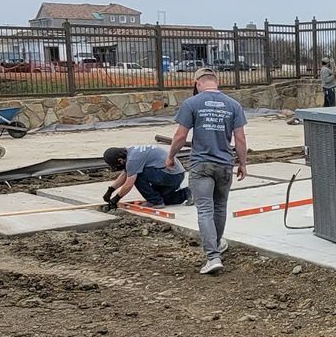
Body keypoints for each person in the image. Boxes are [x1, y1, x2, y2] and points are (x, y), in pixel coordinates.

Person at [167, 68, 248, 275]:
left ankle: (212, 257)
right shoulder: (233, 105)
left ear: (197, 83)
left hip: (201, 165)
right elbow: (240, 138)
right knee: (220, 207)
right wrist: (243, 163)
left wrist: (170, 157)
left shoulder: (191, 104)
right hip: (224, 164)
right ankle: (218, 245)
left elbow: (179, 136)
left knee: (205, 209)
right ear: (216, 82)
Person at [100, 144, 188, 209]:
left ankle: (155, 201)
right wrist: (110, 190)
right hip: (173, 174)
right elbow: (125, 174)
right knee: (165, 199)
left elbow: (128, 185)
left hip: (171, 175)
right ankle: (187, 193)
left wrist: (116, 198)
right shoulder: (130, 153)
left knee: (137, 175)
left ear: (120, 160)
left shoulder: (133, 159)